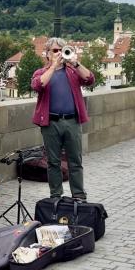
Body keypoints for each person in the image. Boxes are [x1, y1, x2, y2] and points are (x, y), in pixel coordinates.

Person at [31, 37, 95, 200]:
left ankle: (79, 195)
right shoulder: (40, 72)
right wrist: (53, 66)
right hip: (50, 123)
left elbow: (90, 79)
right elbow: (38, 85)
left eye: (61, 50)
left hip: (72, 121)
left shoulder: (72, 71)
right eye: (55, 50)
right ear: (47, 54)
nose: (59, 53)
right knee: (53, 162)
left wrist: (75, 63)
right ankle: (56, 195)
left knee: (75, 160)